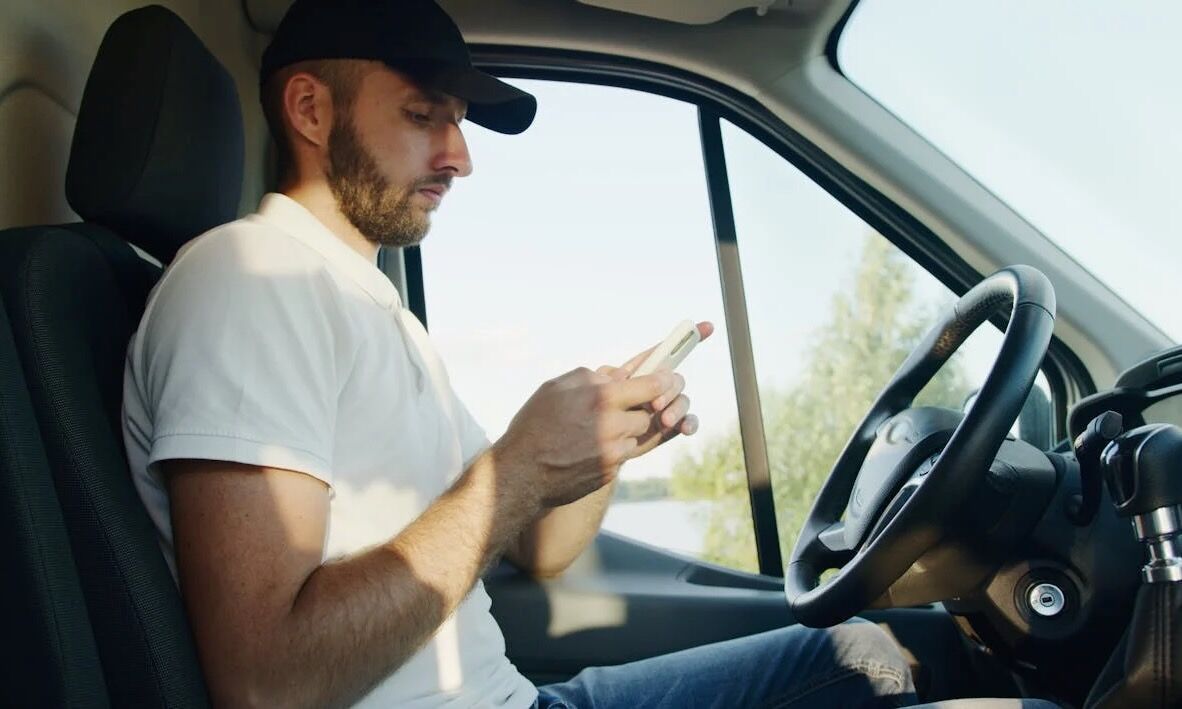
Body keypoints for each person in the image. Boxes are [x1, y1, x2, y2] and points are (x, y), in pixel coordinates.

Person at [121, 0, 917, 706]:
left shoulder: (371, 309)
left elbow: (542, 547)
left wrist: (602, 445)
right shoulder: (250, 281)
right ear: (310, 109)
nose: (460, 156)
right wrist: (521, 469)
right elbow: (266, 682)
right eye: (423, 115)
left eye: (458, 121)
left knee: (873, 653)